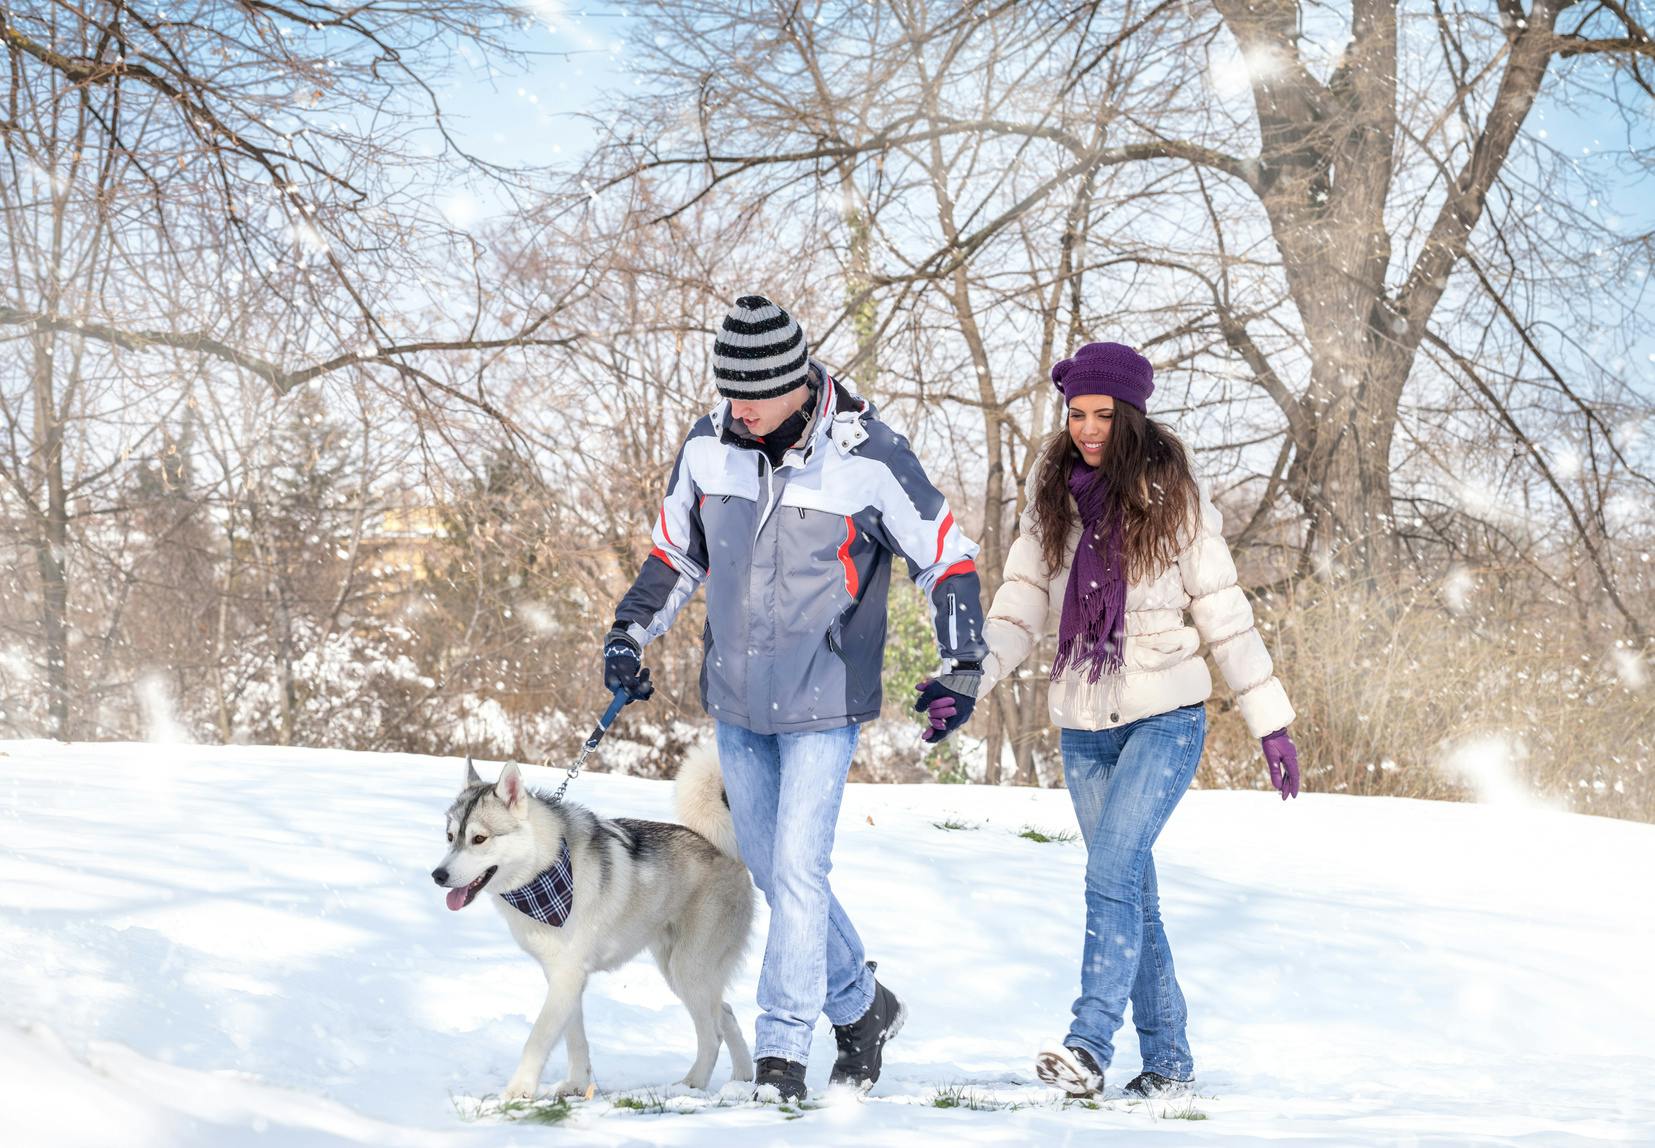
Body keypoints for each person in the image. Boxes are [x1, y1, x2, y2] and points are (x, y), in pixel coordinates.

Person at [603, 295, 988, 1100]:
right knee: (778, 875)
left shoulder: (868, 455)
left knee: (801, 872)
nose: (738, 407)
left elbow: (945, 556)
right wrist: (628, 636)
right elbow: (676, 554)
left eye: (755, 391)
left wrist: (961, 661)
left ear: (799, 381)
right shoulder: (707, 448)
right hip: (738, 700)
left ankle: (782, 1052)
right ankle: (861, 1006)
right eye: (728, 390)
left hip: (825, 694)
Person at [972, 341, 1300, 1099]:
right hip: (1084, 724)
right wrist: (971, 678)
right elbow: (1019, 606)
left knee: (1111, 873)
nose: (1087, 429)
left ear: (1131, 415)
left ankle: (1088, 1042)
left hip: (1165, 717)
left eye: (1102, 415)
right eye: (1076, 414)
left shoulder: (1173, 499)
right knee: (1131, 894)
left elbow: (1224, 616)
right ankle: (1170, 1064)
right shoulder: (1051, 497)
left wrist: (1268, 721)